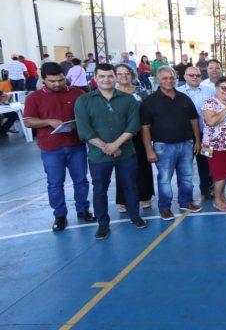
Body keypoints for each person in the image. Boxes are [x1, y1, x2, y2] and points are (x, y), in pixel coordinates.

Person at [74, 63, 147, 239]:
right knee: (99, 189)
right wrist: (105, 147)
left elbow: (133, 125)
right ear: (95, 79)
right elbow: (84, 129)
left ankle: (134, 215)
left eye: (109, 76)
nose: (106, 79)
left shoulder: (129, 99)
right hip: (98, 156)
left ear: (115, 78)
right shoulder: (84, 101)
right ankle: (103, 224)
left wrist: (116, 145)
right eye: (102, 76)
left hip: (126, 153)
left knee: (130, 185)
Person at [23, 62, 94, 231]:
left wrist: (80, 125)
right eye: (52, 81)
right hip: (51, 149)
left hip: (76, 146)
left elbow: (88, 116)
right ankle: (60, 215)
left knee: (81, 180)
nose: (57, 84)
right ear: (43, 80)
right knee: (55, 183)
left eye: (61, 80)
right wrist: (48, 121)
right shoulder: (34, 98)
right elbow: (27, 121)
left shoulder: (78, 93)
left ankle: (83, 210)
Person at [141, 66, 202, 219]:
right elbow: (145, 128)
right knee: (164, 180)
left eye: (171, 78)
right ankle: (165, 207)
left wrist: (197, 141)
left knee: (187, 176)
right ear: (157, 80)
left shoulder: (184, 98)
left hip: (186, 145)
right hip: (163, 147)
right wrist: (149, 150)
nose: (169, 81)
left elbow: (194, 120)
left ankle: (186, 202)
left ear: (176, 79)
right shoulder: (149, 102)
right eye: (164, 78)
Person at [114, 64, 154, 212]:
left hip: (140, 133)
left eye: (126, 73)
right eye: (120, 74)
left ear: (131, 75)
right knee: (123, 168)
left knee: (143, 165)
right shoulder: (111, 93)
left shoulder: (142, 92)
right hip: (120, 137)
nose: (124, 76)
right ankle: (123, 199)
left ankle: (145, 196)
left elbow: (149, 113)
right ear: (116, 76)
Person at [178, 67, 216, 200]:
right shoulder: (178, 92)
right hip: (185, 135)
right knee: (185, 165)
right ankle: (186, 194)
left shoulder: (210, 91)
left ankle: (205, 188)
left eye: (198, 75)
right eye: (191, 75)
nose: (195, 77)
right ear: (185, 76)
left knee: (206, 163)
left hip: (206, 135)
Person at [202, 77, 226, 212]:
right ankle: (217, 200)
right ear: (216, 89)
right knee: (220, 175)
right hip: (213, 146)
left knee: (225, 174)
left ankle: (222, 197)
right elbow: (211, 121)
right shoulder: (210, 103)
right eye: (224, 88)